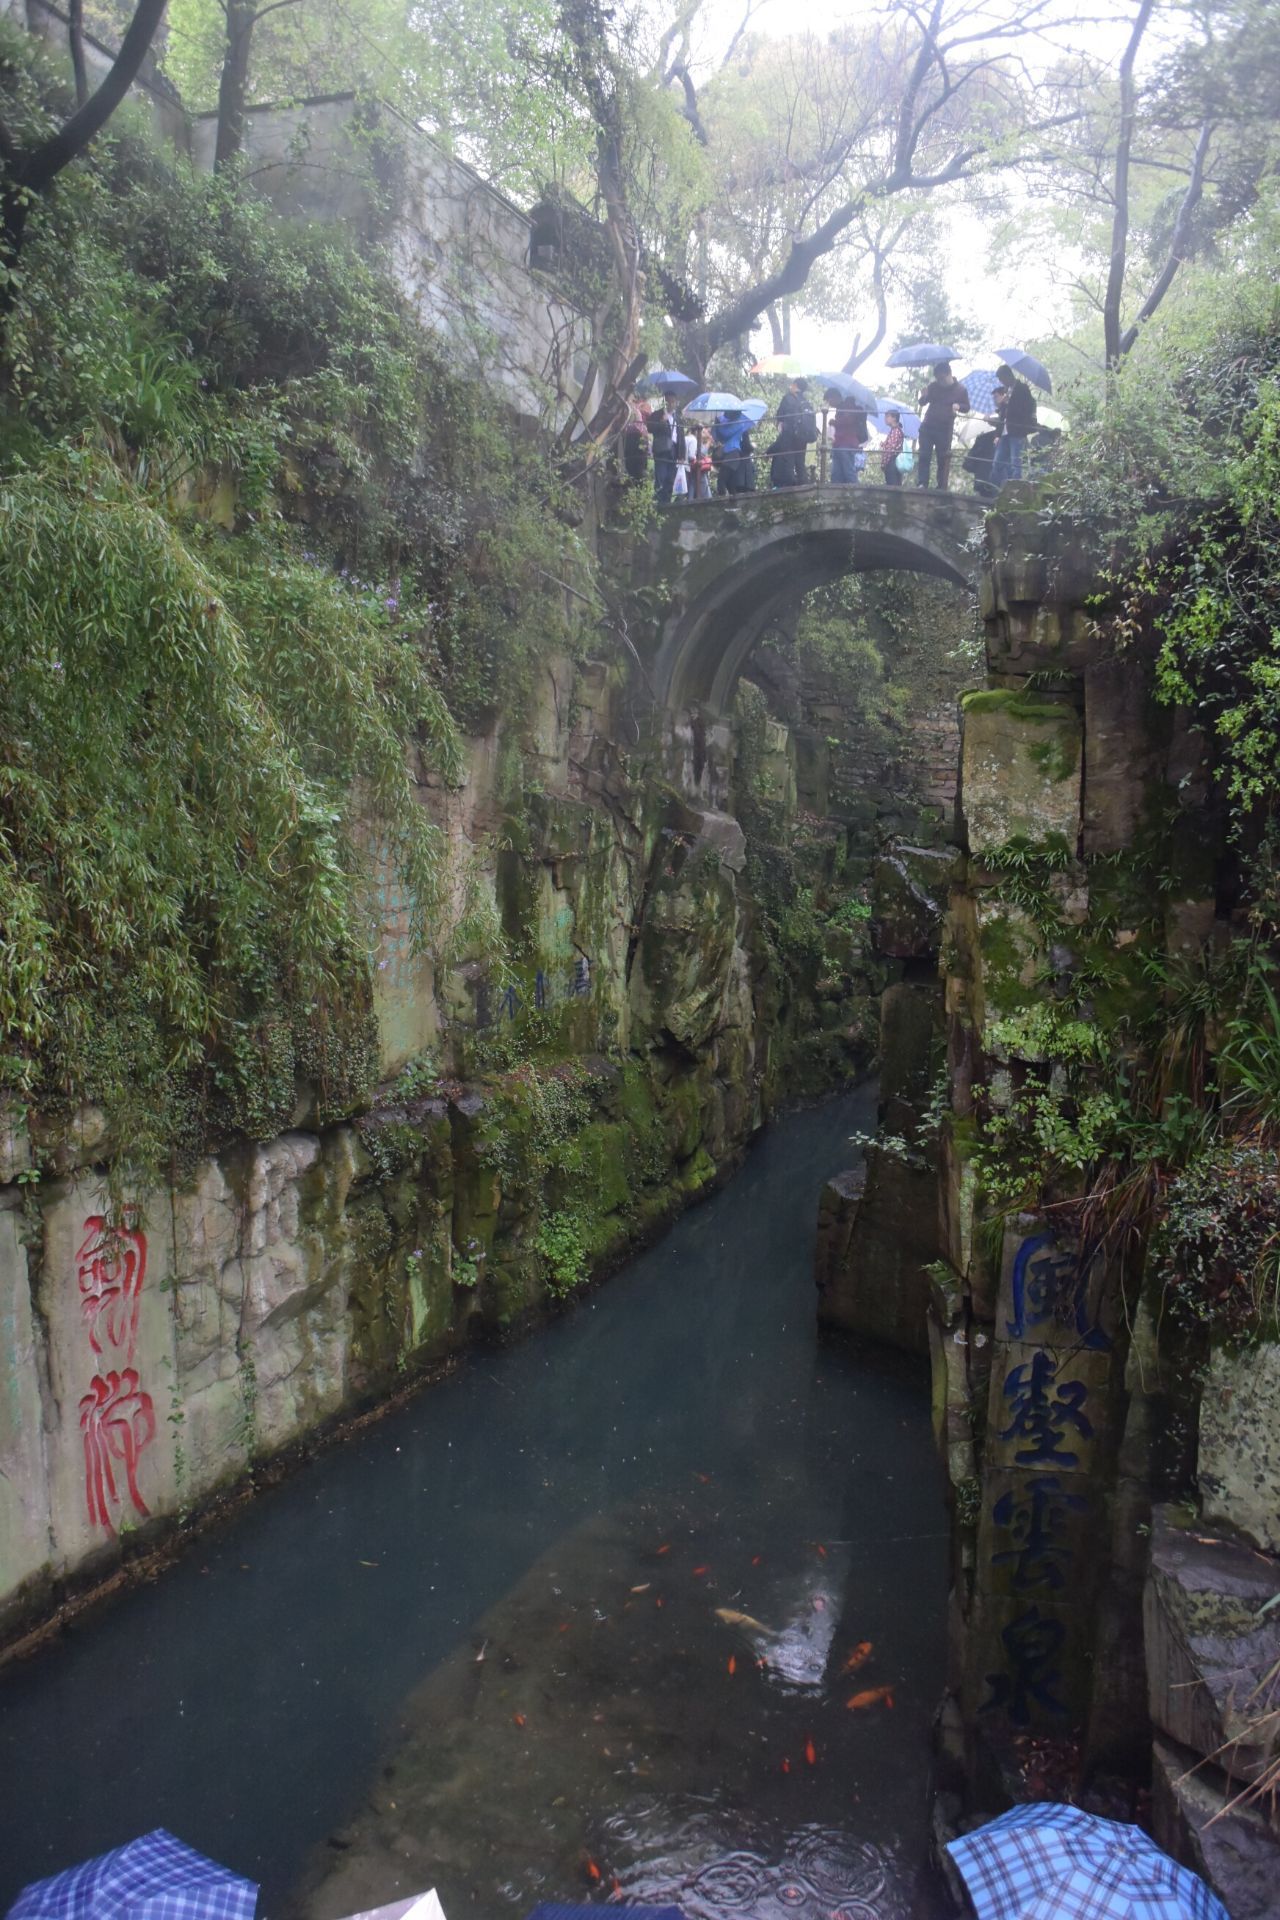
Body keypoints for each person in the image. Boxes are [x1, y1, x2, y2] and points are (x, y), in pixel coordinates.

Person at [915, 360, 970, 490]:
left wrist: (958, 406)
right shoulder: (933, 386)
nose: (940, 381)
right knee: (924, 455)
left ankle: (941, 486)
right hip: (928, 426)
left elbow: (967, 407)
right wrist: (923, 396)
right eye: (938, 379)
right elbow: (923, 402)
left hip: (945, 429)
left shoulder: (960, 390)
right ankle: (922, 483)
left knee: (942, 458)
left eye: (942, 378)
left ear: (949, 374)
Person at [990, 362, 1038, 489]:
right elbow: (1003, 415)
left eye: (1002, 379)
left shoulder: (1023, 389)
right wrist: (1002, 404)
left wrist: (1009, 402)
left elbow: (1025, 409)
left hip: (1017, 431)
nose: (1001, 382)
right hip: (1005, 432)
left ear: (1008, 376)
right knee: (997, 463)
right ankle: (997, 490)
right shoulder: (1005, 391)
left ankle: (1015, 493)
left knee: (1015, 464)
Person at [774, 377, 815, 487]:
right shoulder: (806, 401)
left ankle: (790, 487)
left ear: (796, 385)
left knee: (789, 460)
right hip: (803, 436)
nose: (791, 386)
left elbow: (779, 415)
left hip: (790, 435)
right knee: (800, 462)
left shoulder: (787, 398)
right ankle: (803, 485)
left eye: (792, 384)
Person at [826, 387, 868, 484]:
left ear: (834, 397)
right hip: (839, 444)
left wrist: (834, 422)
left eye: (829, 400)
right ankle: (837, 494)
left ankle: (855, 494)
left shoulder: (848, 406)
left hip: (847, 444)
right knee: (836, 473)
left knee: (848, 471)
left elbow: (848, 420)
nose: (829, 403)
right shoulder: (840, 408)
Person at [647, 393, 680, 504]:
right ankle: (659, 503)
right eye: (668, 401)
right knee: (661, 476)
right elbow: (650, 428)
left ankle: (667, 502)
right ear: (665, 401)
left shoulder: (677, 417)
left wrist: (682, 454)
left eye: (673, 401)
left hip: (674, 450)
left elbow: (680, 437)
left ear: (676, 403)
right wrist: (661, 422)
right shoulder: (657, 414)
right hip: (662, 449)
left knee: (670, 478)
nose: (671, 404)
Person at [714, 410, 755, 494]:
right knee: (730, 482)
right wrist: (716, 425)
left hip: (732, 453)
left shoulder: (738, 423)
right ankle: (734, 503)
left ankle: (722, 502)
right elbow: (720, 437)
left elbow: (726, 433)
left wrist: (718, 424)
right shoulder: (732, 423)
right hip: (731, 453)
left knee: (721, 480)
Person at [622, 396, 649, 484]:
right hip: (636, 438)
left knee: (635, 466)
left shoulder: (636, 410)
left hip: (635, 438)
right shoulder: (633, 409)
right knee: (635, 466)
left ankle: (636, 484)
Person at [880, 409, 905, 487]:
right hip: (894, 462)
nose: (885, 419)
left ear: (894, 418)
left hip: (892, 462)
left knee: (892, 486)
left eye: (888, 416)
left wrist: (884, 463)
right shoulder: (895, 431)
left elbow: (890, 449)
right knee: (895, 485)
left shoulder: (895, 431)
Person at [695, 426, 715, 500]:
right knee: (705, 492)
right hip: (697, 469)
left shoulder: (702, 443)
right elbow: (701, 453)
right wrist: (709, 442)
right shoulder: (696, 442)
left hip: (703, 470)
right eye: (702, 432)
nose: (702, 434)